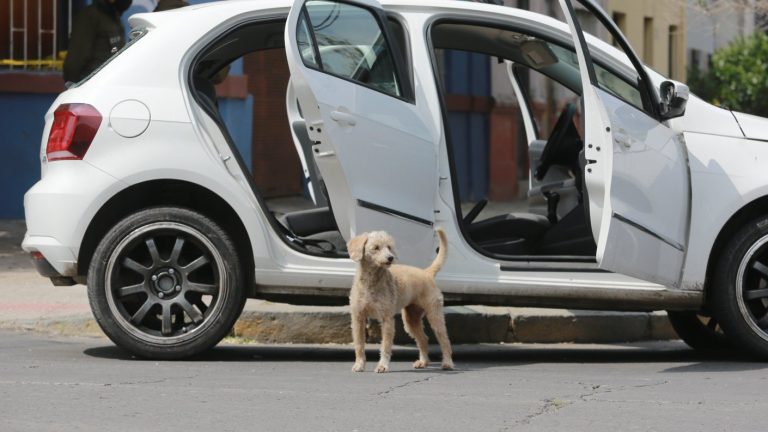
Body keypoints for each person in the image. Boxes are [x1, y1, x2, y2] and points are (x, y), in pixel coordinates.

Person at [63, 0, 132, 83]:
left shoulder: (113, 15)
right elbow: (74, 61)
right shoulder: (89, 16)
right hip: (91, 84)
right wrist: (74, 87)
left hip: (110, 82)